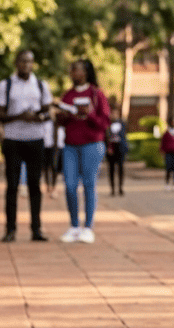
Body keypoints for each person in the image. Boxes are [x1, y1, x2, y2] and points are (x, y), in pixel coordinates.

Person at [0, 50, 52, 242]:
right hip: (13, 140)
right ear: (16, 63)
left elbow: (48, 112)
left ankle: (36, 229)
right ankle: (10, 229)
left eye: (30, 61)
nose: (27, 65)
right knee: (12, 186)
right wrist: (20, 116)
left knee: (35, 186)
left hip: (35, 139)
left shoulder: (41, 85)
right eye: (23, 61)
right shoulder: (5, 85)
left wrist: (37, 117)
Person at [56, 59, 110, 243]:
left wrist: (89, 113)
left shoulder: (96, 94)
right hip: (70, 145)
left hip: (92, 145)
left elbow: (105, 123)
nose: (73, 73)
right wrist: (62, 117)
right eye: (71, 70)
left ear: (86, 72)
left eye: (76, 70)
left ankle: (88, 227)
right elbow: (62, 122)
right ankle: (73, 226)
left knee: (89, 184)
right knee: (70, 185)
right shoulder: (68, 95)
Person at [106, 106, 129, 196]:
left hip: (120, 147)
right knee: (111, 169)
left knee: (121, 168)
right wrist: (108, 147)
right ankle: (112, 189)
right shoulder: (107, 124)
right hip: (111, 148)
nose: (114, 115)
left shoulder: (123, 123)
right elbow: (105, 137)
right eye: (112, 113)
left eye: (115, 113)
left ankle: (120, 188)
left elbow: (124, 135)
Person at [159, 115, 174, 190]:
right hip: (168, 153)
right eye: (173, 122)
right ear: (170, 122)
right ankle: (167, 183)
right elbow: (163, 143)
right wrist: (162, 151)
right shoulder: (167, 133)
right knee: (168, 168)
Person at [42, 112, 61, 199]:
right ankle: (47, 184)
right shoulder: (41, 123)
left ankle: (53, 185)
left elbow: (56, 135)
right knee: (45, 167)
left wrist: (56, 146)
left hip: (53, 147)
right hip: (43, 147)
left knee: (54, 166)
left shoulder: (54, 123)